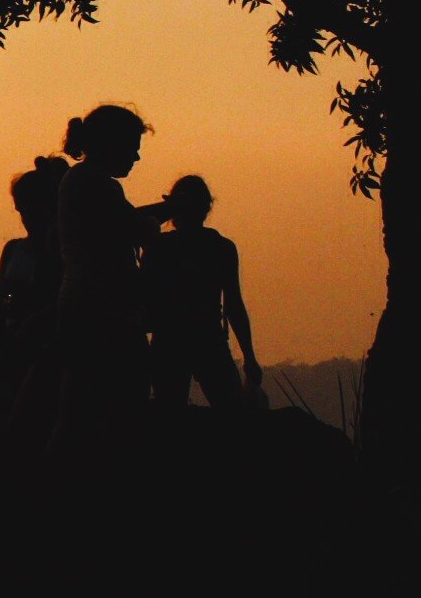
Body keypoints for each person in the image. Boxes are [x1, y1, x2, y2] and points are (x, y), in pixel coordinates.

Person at [50, 105, 173, 458]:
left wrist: (160, 214)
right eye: (132, 146)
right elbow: (135, 228)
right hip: (103, 311)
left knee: (79, 403)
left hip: (83, 307)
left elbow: (126, 221)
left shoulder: (80, 182)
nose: (135, 156)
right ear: (111, 143)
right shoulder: (96, 185)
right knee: (117, 402)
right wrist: (160, 221)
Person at [143, 175, 263, 410]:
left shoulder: (159, 247)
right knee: (233, 413)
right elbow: (234, 306)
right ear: (207, 208)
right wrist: (249, 357)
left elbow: (144, 295)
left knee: (170, 414)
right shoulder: (221, 248)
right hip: (207, 340)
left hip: (170, 341)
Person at [0, 156, 69, 451]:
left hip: (42, 346)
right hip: (7, 347)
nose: (23, 215)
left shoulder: (62, 251)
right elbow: (1, 294)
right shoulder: (13, 248)